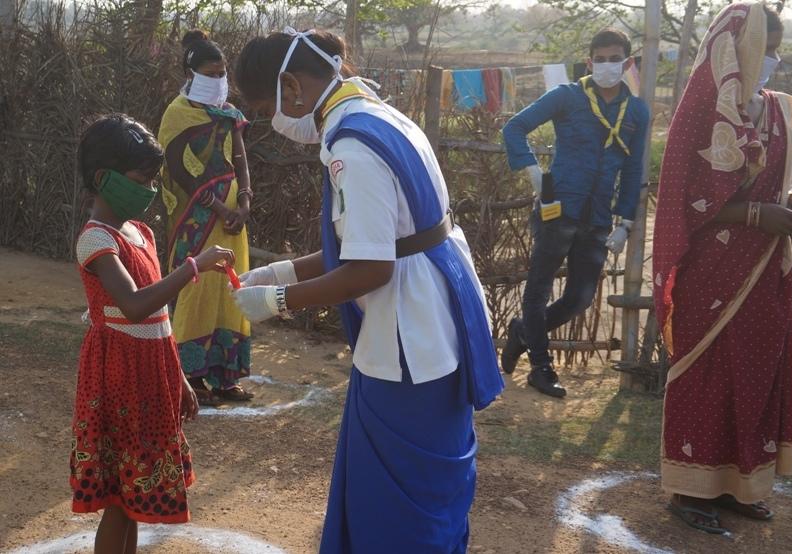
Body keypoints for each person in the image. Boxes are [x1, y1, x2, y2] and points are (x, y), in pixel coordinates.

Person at [232, 27, 504, 553]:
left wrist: (277, 301)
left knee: (397, 509)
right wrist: (284, 271)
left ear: (291, 86)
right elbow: (389, 240)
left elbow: (372, 268)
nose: (275, 120)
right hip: (438, 321)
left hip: (409, 345)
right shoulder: (382, 115)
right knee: (429, 489)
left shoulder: (351, 145)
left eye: (268, 107)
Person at [653, 3, 792, 534]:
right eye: (764, 47)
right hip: (714, 269)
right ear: (735, 48)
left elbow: (777, 178)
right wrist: (755, 213)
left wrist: (791, 200)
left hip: (765, 267)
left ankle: (739, 485)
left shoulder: (771, 109)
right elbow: (685, 198)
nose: (772, 58)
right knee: (707, 371)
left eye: (776, 47)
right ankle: (689, 486)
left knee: (754, 371)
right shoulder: (702, 111)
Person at [72, 113, 235, 553]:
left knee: (135, 496)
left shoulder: (140, 233)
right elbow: (134, 303)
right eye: (142, 179)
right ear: (104, 178)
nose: (149, 190)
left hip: (150, 373)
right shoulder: (96, 240)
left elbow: (159, 316)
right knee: (120, 500)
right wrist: (193, 266)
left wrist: (177, 378)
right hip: (118, 378)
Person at [501, 29, 650, 397]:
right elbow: (514, 128)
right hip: (557, 209)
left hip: (598, 217)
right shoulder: (567, 96)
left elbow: (633, 170)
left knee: (580, 298)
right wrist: (533, 172)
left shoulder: (637, 111)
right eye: (599, 59)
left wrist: (626, 221)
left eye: (614, 59)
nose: (606, 66)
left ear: (627, 63)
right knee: (537, 290)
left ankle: (522, 331)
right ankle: (540, 367)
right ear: (589, 62)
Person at [158, 30, 254, 406]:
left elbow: (241, 160)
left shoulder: (230, 114)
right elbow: (180, 170)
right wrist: (220, 207)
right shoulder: (177, 115)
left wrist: (244, 204)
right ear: (191, 73)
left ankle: (226, 376)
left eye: (223, 73)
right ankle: (190, 377)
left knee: (230, 289)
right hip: (195, 217)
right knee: (196, 287)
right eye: (212, 74)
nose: (220, 81)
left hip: (233, 219)